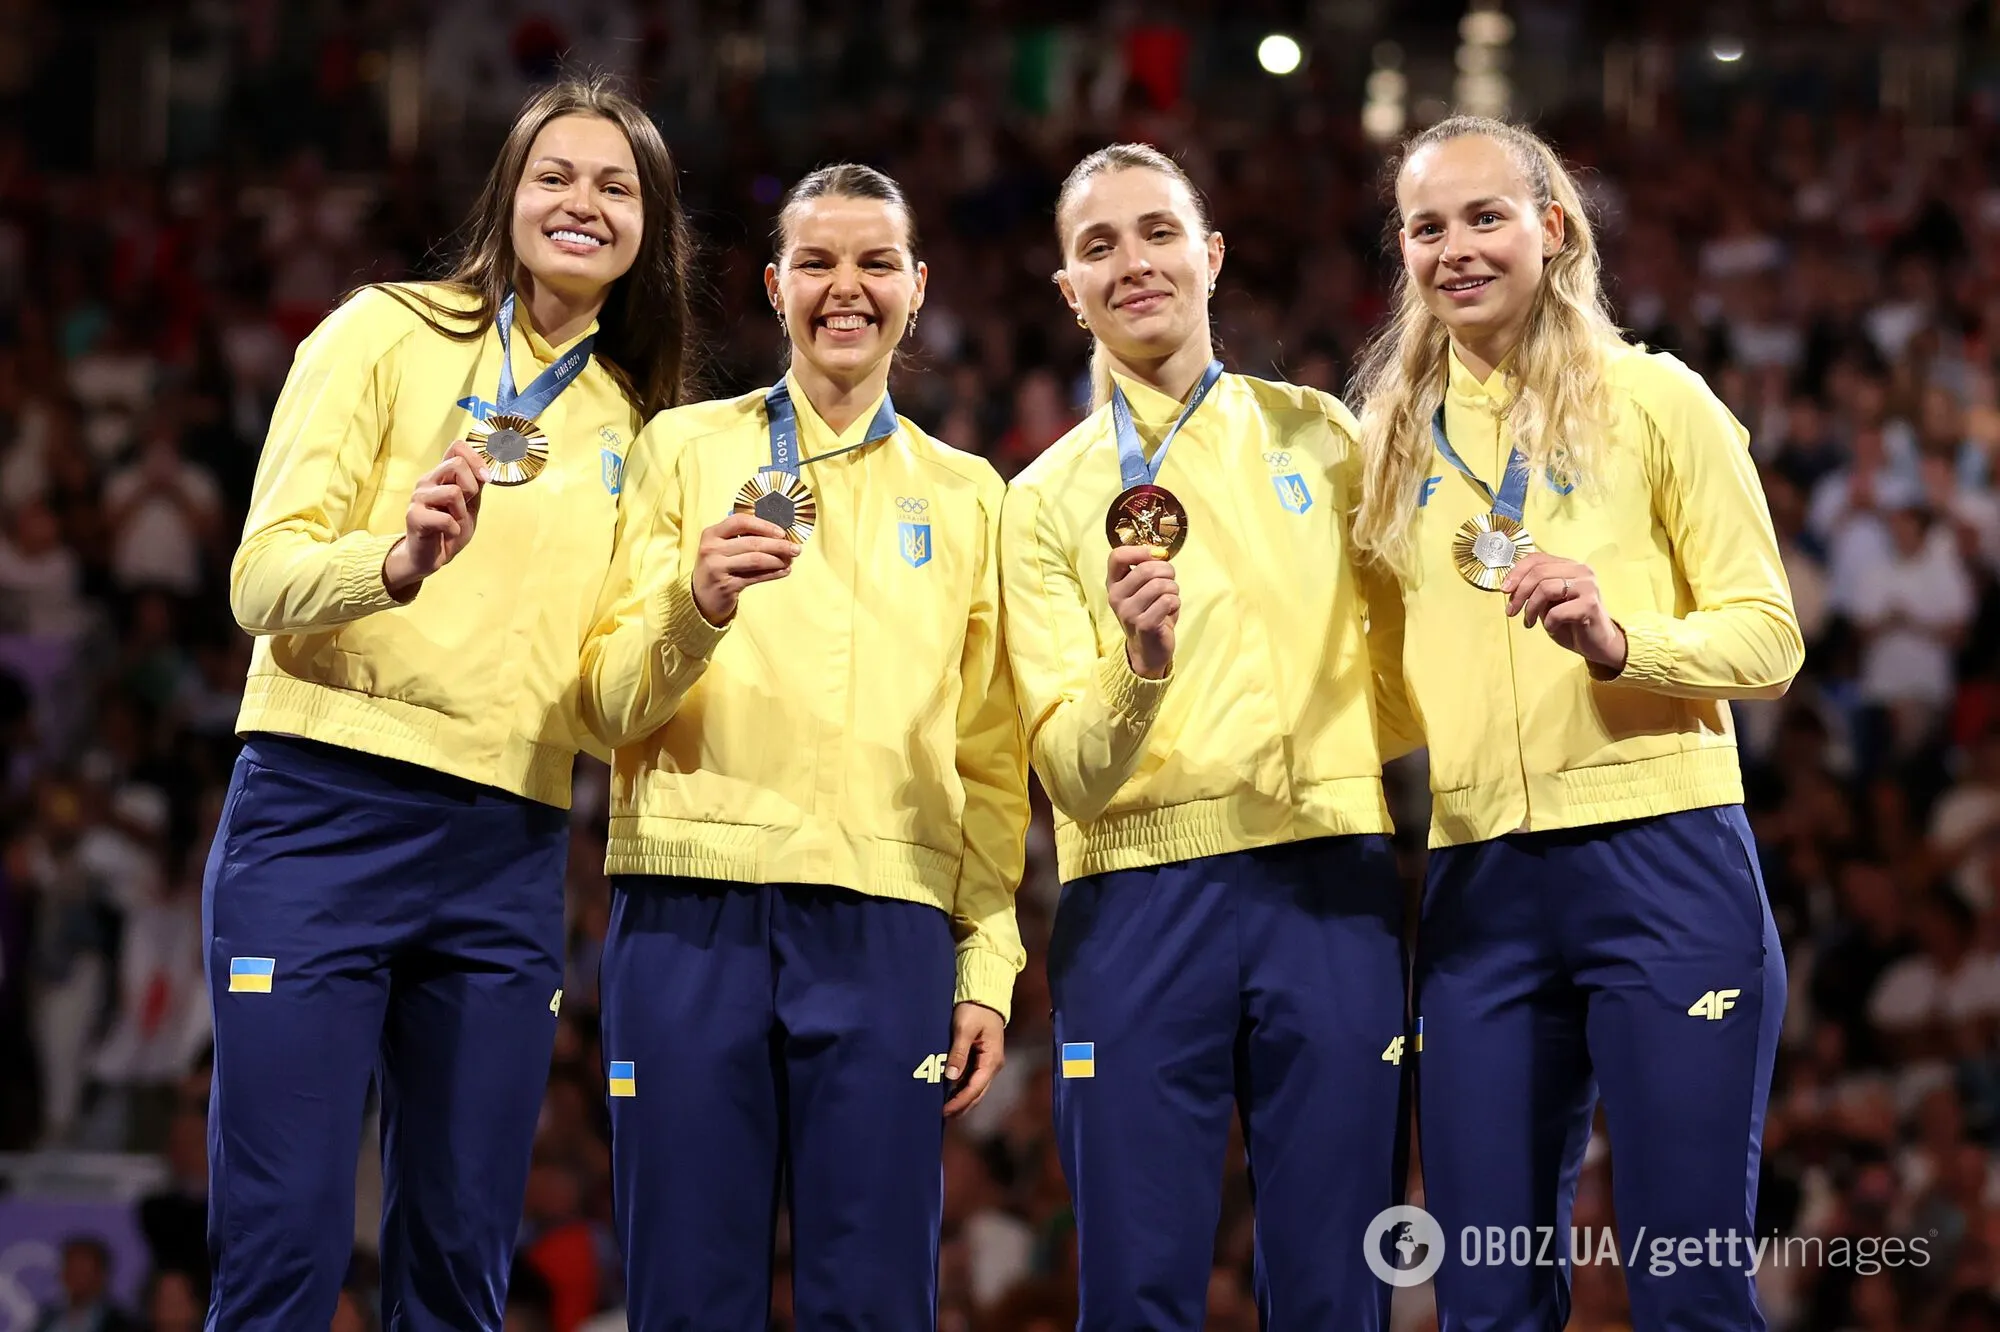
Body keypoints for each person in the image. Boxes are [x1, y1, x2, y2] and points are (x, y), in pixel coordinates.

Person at [206, 77, 696, 1329]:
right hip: (320, 813)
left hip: (505, 850)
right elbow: (258, 580)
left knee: (460, 1259)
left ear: (649, 229)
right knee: (287, 1243)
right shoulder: (380, 332)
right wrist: (396, 563)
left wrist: (698, 615)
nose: (580, 202)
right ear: (507, 195)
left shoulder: (641, 430)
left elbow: (599, 706)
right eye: (554, 175)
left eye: (614, 185)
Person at [1350, 115, 1804, 1329]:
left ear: (1551, 232)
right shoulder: (1385, 447)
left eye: (1484, 217)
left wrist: (1621, 643)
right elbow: (1386, 689)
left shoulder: (1654, 400)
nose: (1455, 248)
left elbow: (1768, 637)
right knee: (1483, 1296)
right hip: (1476, 885)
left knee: (1683, 1282)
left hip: (1658, 859)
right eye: (1426, 226)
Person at [578, 163, 1028, 1328]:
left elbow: (989, 758)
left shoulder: (972, 495)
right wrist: (697, 608)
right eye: (818, 264)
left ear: (916, 287)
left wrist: (986, 960)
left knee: (875, 1296)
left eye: (875, 263)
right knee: (685, 1290)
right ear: (774, 287)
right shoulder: (679, 450)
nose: (847, 289)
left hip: (886, 923)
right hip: (690, 910)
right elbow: (603, 706)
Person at [999, 143, 1411, 1330]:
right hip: (1132, 902)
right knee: (1134, 1289)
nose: (1132, 263)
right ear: (1065, 289)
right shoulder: (1040, 501)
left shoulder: (1323, 439)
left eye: (1157, 232)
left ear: (1210, 255)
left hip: (1326, 883)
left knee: (1339, 1280)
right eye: (1097, 246)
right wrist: (1138, 674)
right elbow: (1069, 774)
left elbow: (1397, 676)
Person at [31, 1237, 140, 1332]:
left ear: (101, 1276)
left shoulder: (120, 1325)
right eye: (71, 1270)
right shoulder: (47, 1318)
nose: (76, 1278)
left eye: (83, 1271)